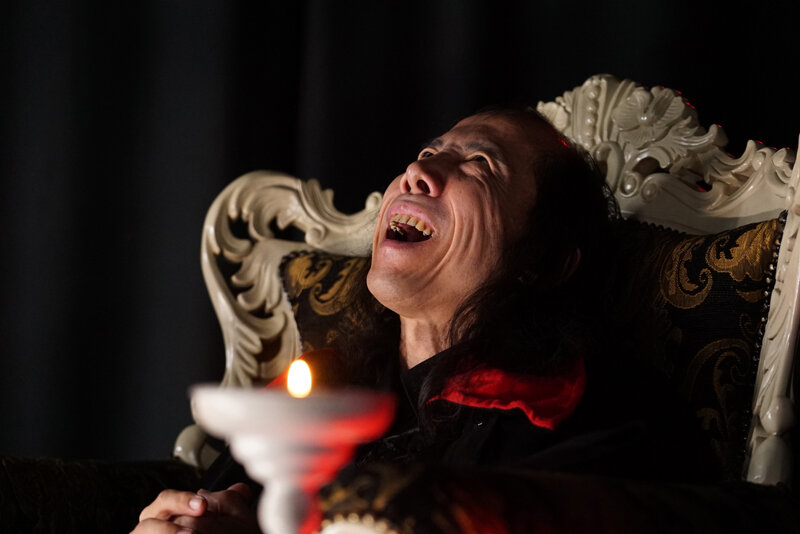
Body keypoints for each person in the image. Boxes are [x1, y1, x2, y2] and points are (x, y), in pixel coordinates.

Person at [131, 108, 718, 533]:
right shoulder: (318, 391)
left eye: (479, 163)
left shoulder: (601, 411)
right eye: (429, 152)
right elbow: (215, 506)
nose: (418, 170)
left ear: (544, 262)